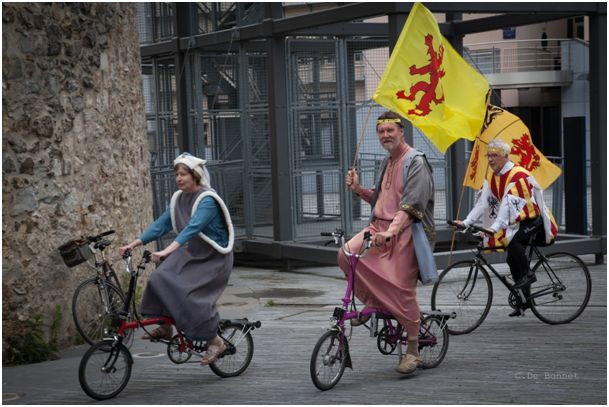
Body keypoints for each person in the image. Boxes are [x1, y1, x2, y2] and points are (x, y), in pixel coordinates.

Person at [341, 111, 436, 375]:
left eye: (390, 130)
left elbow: (410, 207)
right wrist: (358, 188)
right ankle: (373, 303)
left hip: (406, 233)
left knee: (402, 291)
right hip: (378, 227)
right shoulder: (386, 161)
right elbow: (379, 201)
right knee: (346, 254)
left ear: (401, 131)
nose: (385, 136)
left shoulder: (416, 162)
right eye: (381, 132)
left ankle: (413, 350)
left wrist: (391, 233)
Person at [120, 152, 235, 365]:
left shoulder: (207, 200)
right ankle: (165, 326)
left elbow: (191, 229)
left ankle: (215, 341)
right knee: (159, 278)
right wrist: (134, 244)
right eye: (177, 174)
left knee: (191, 296)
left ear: (196, 176)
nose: (179, 178)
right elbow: (160, 225)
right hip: (193, 254)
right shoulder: (178, 199)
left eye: (184, 174)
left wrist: (165, 252)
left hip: (214, 258)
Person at [452, 140, 557, 316]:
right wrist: (466, 222)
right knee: (511, 259)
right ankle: (524, 302)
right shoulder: (492, 175)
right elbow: (483, 203)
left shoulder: (517, 175)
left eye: (494, 155)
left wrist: (494, 228)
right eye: (489, 155)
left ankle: (529, 275)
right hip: (515, 221)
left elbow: (507, 206)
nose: (490, 160)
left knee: (513, 243)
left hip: (531, 220)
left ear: (505, 156)